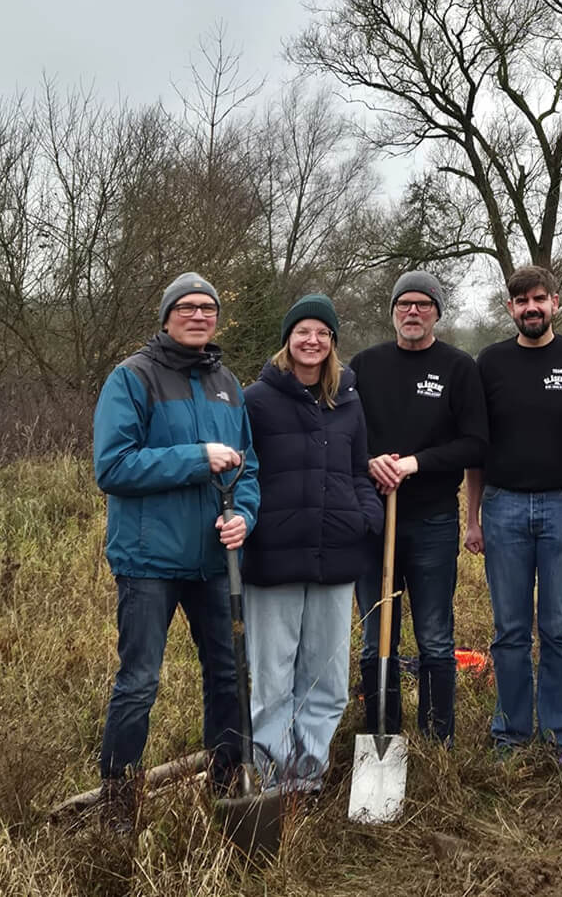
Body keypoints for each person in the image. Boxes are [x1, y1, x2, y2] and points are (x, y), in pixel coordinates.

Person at [93, 272, 259, 829]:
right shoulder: (131, 378)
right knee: (138, 681)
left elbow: (247, 467)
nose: (197, 316)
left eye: (207, 309)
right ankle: (117, 807)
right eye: (186, 308)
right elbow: (112, 467)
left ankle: (228, 790)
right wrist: (196, 456)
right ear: (166, 317)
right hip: (149, 562)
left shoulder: (228, 385)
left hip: (216, 561)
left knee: (231, 674)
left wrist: (245, 515)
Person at [241, 295, 383, 790]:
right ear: (287, 339)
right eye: (303, 331)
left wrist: (367, 516)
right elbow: (244, 473)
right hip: (272, 556)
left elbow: (357, 466)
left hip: (336, 553)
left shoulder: (347, 399)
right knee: (273, 677)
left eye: (323, 333)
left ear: (333, 343)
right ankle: (271, 777)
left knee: (326, 678)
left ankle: (309, 775)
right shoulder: (255, 399)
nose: (313, 340)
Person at [465, 265, 562, 752]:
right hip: (503, 509)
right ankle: (512, 733)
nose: (531, 308)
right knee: (510, 630)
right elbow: (477, 449)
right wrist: (473, 518)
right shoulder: (490, 364)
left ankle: (561, 734)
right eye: (521, 301)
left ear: (555, 303)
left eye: (539, 299)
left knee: (561, 627)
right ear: (510, 308)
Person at [351, 270, 487, 744]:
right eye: (404, 304)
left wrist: (413, 463)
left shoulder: (458, 367)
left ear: (436, 313)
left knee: (434, 634)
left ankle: (436, 736)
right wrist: (369, 462)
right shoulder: (364, 366)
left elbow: (475, 444)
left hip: (432, 520)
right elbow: (345, 433)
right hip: (373, 520)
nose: (413, 311)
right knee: (376, 636)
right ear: (392, 311)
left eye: (423, 304)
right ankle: (381, 733)